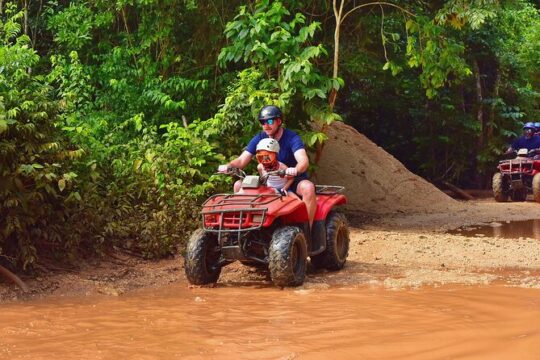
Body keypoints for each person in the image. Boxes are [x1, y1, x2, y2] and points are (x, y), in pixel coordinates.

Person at [218, 105, 317, 228]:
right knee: (238, 185)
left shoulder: (292, 138)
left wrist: (295, 170)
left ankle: (307, 230)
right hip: (270, 180)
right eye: (262, 122)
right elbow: (242, 160)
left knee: (308, 187)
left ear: (279, 121)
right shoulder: (260, 138)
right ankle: (242, 227)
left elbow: (303, 160)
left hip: (291, 179)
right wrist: (228, 166)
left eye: (269, 121)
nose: (266, 125)